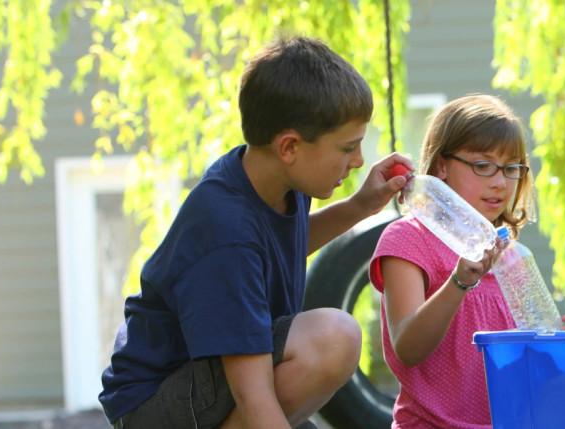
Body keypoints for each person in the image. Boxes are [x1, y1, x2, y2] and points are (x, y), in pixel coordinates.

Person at [99, 36, 413, 429]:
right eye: (347, 148)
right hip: (156, 403)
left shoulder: (274, 181)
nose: (359, 160)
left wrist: (360, 206)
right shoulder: (226, 228)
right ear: (290, 147)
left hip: (204, 380)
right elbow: (253, 394)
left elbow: (278, 249)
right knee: (334, 337)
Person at [370, 94, 565, 428]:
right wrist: (459, 282)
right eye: (483, 165)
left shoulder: (509, 253)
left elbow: (534, 362)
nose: (501, 182)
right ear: (441, 166)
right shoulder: (408, 239)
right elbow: (408, 348)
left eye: (512, 168)